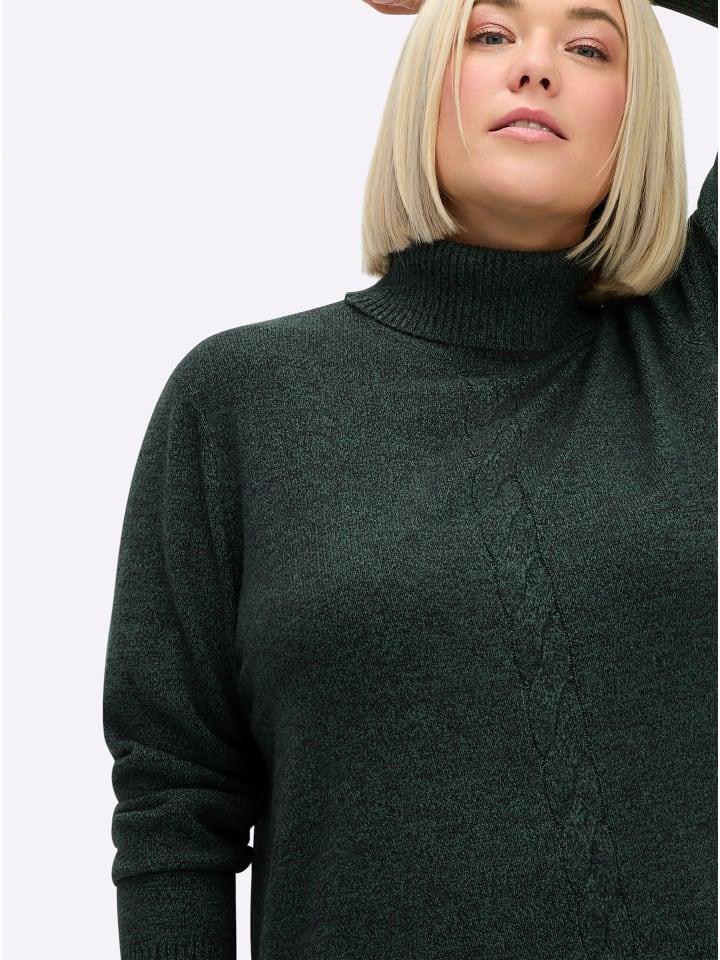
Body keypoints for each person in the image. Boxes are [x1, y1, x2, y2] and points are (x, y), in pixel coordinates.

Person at [102, 0, 717, 957]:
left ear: (639, 117)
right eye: (489, 33)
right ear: (426, 79)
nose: (537, 68)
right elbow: (175, 801)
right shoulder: (241, 397)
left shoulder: (696, 341)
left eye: (590, 45)